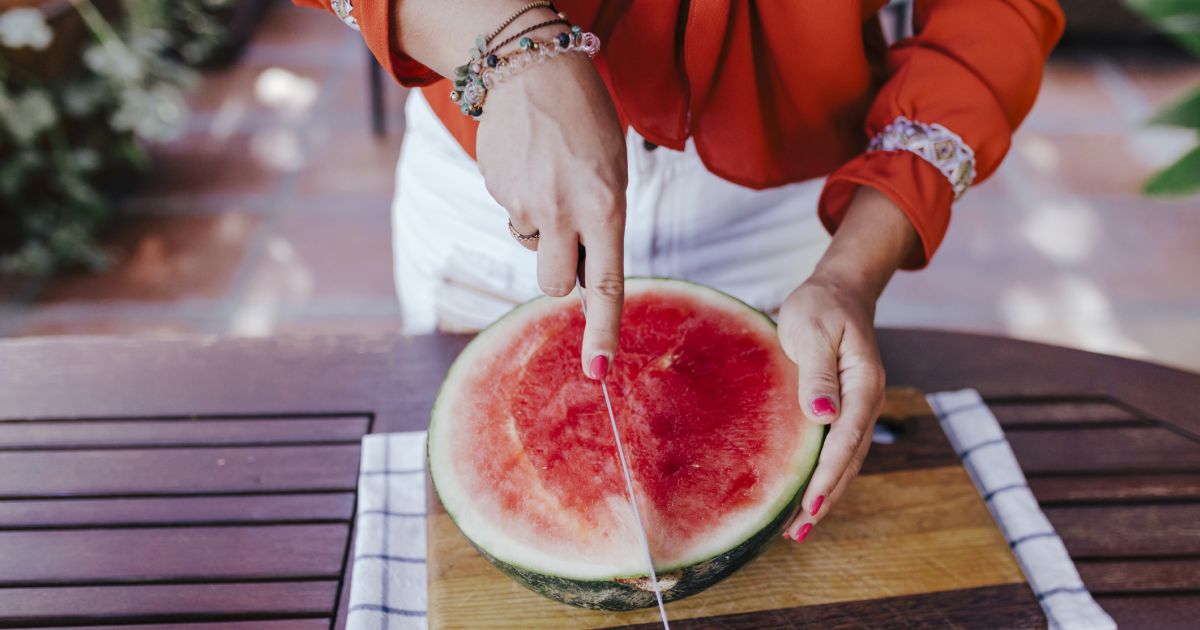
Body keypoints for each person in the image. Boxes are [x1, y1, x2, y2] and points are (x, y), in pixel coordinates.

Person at [295, 0, 1063, 543]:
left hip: (784, 217)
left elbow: (991, 12)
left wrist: (850, 273)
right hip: (503, 164)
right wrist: (511, 45)